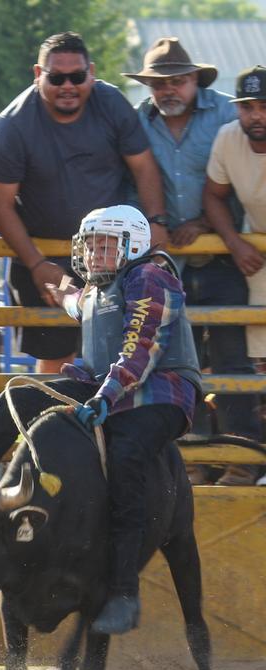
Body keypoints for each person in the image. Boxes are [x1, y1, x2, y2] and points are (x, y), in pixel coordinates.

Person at [0, 206, 200, 635]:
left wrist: (106, 396)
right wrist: (57, 284)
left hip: (157, 396)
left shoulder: (149, 278)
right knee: (19, 394)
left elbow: (140, 349)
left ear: (132, 245)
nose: (95, 253)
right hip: (106, 390)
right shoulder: (98, 288)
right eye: (91, 244)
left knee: (127, 456)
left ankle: (123, 591)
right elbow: (74, 300)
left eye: (106, 245)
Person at [0, 31, 168, 374]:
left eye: (77, 76)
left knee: (124, 350)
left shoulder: (111, 103)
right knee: (56, 355)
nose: (67, 85)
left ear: (92, 73)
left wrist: (156, 222)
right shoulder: (12, 127)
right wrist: (37, 264)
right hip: (46, 255)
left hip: (114, 252)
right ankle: (51, 424)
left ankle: (115, 425)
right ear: (38, 75)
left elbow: (143, 165)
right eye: (56, 77)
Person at [126, 39, 259, 487]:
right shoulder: (137, 122)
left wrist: (205, 224)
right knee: (178, 363)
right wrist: (154, 224)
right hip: (168, 259)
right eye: (159, 82)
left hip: (224, 253)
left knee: (231, 359)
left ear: (194, 82)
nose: (169, 90)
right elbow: (130, 184)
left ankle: (243, 459)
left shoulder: (228, 114)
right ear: (149, 86)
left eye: (177, 80)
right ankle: (196, 459)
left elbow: (231, 185)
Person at [204, 66, 266, 382]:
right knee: (261, 354)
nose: (256, 115)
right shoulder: (229, 137)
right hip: (258, 250)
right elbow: (213, 196)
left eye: (264, 106)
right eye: (247, 106)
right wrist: (234, 242)